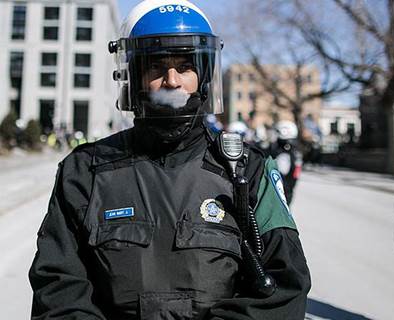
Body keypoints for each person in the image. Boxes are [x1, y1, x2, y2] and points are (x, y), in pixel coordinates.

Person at [29, 1, 311, 319]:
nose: (172, 80)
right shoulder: (84, 171)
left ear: (203, 77)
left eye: (185, 66)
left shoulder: (249, 170)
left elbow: (285, 289)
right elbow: (57, 290)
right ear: (132, 78)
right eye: (156, 67)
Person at [270, 120, 303, 205]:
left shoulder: (284, 154)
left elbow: (278, 174)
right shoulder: (295, 150)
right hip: (288, 190)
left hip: (281, 193)